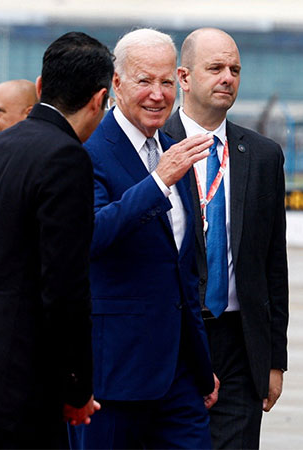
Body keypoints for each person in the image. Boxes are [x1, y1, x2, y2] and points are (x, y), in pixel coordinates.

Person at [0, 32, 113, 449]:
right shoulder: (66, 157)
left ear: (39, 87)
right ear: (100, 100)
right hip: (24, 383)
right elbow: (64, 288)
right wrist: (77, 386)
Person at [68, 28, 217, 449]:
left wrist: (201, 366)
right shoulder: (89, 149)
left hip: (179, 377)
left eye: (167, 82)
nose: (158, 94)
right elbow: (92, 235)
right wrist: (158, 181)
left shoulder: (174, 149)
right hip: (113, 375)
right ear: (116, 83)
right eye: (145, 81)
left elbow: (182, 270)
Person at [163, 27, 290, 449]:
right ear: (183, 77)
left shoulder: (263, 155)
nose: (227, 78)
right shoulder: (155, 145)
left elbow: (273, 264)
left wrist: (274, 360)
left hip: (239, 341)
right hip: (174, 335)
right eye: (215, 68)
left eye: (234, 69)